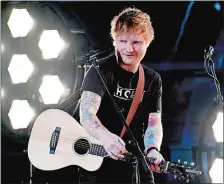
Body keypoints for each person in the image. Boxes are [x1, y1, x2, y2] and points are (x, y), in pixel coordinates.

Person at [79, 7, 164, 183]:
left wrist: (153, 149)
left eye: (137, 42)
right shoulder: (100, 71)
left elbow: (153, 122)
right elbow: (86, 113)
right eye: (122, 41)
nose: (128, 48)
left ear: (147, 42)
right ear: (114, 41)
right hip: (98, 159)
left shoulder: (152, 79)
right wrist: (105, 136)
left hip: (135, 161)